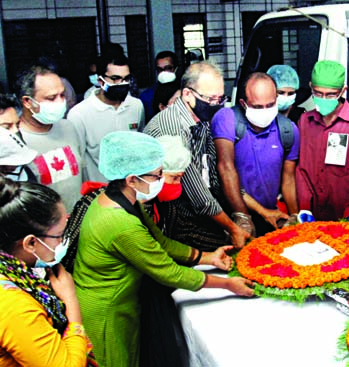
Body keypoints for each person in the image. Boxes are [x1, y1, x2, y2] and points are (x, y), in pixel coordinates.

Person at [72, 131, 254, 367]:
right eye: (157, 175)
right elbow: (169, 272)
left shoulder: (125, 201)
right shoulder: (119, 222)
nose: (161, 179)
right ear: (131, 179)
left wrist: (209, 258)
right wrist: (228, 284)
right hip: (107, 311)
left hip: (124, 301)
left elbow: (161, 243)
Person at [144, 61, 250, 252]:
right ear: (187, 94)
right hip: (174, 217)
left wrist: (246, 213)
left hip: (198, 211)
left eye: (220, 99)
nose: (216, 105)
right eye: (210, 99)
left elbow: (215, 176)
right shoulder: (173, 129)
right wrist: (233, 229)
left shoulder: (201, 120)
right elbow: (198, 195)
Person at [0, 177, 96, 366]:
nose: (64, 242)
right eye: (59, 235)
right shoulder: (14, 306)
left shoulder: (17, 271)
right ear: (31, 243)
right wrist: (71, 302)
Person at [212, 72, 300, 236]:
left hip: (272, 217)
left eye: (270, 104)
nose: (265, 111)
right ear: (243, 103)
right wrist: (242, 216)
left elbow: (288, 178)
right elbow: (225, 168)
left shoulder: (288, 130)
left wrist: (294, 216)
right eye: (258, 107)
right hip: (235, 215)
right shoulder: (227, 120)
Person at [296, 60, 349, 222]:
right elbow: (302, 170)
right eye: (318, 93)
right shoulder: (305, 121)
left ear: (343, 91)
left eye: (330, 94)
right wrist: (304, 206)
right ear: (310, 87)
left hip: (346, 216)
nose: (324, 99)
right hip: (313, 217)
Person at [16, 64, 84, 212]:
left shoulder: (68, 127)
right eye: (51, 98)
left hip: (77, 219)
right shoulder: (16, 141)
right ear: (28, 102)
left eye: (62, 95)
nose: (60, 102)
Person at [67, 54, 145, 182]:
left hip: (131, 189)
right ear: (101, 81)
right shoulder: (79, 114)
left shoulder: (136, 106)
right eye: (115, 78)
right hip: (99, 192)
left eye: (126, 78)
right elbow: (77, 160)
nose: (122, 83)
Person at [140, 51, 178, 122]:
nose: (164, 72)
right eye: (160, 69)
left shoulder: (183, 91)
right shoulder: (147, 96)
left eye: (168, 68)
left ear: (176, 68)